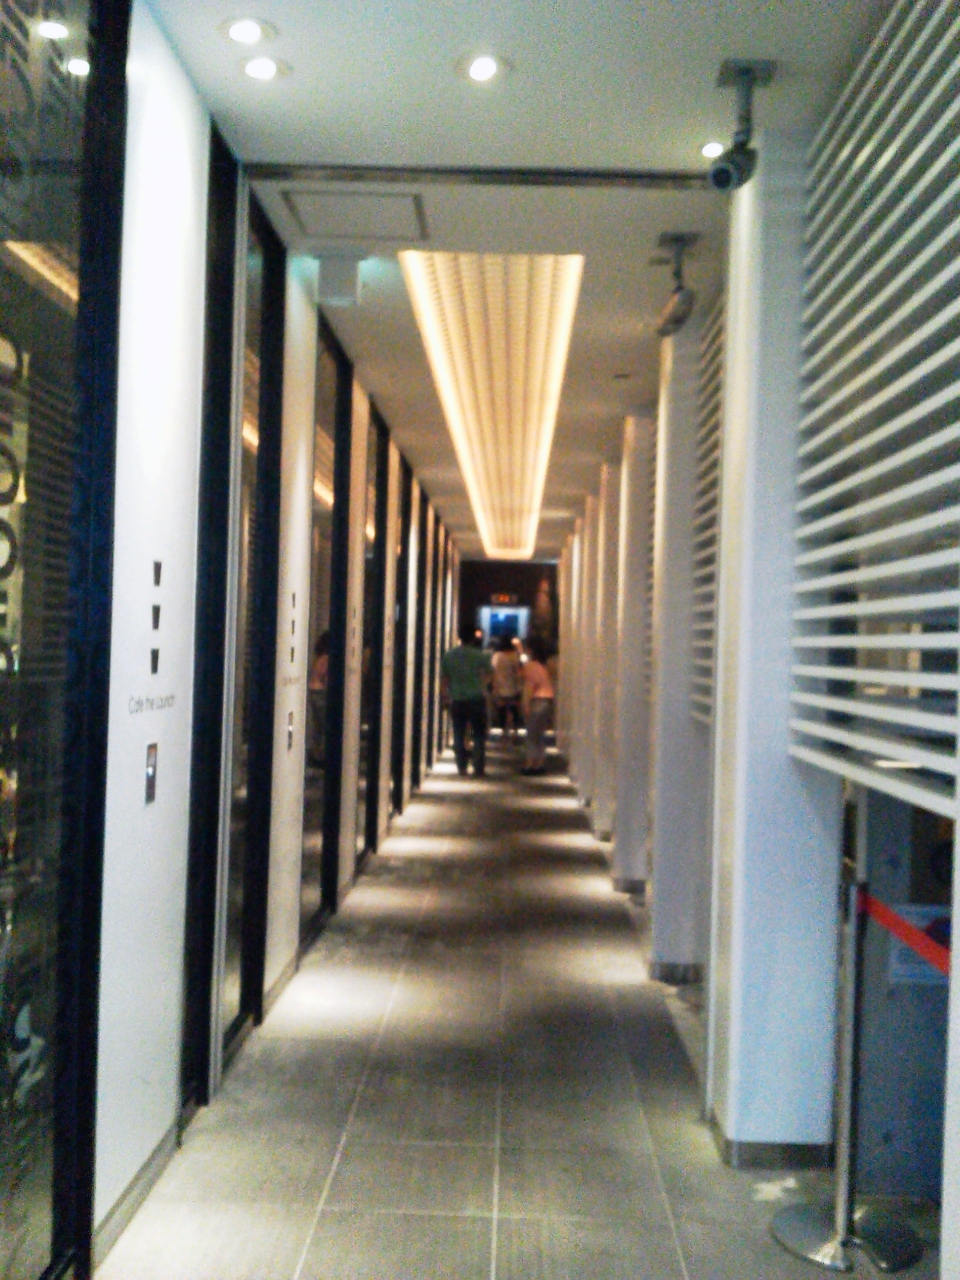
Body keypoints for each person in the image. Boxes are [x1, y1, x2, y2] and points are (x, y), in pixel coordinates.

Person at [441, 622, 492, 777]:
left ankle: (461, 766)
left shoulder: (449, 655)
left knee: (458, 733)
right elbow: (490, 674)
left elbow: (445, 679)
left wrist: (445, 696)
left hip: (457, 699)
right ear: (473, 638)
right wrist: (484, 687)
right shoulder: (480, 655)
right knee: (478, 735)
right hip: (476, 698)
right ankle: (478, 767)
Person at [521, 635, 554, 775]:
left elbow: (529, 687)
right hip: (548, 700)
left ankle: (530, 764)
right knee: (540, 734)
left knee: (531, 735)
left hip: (537, 700)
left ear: (530, 650)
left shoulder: (530, 666)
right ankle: (539, 763)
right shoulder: (544, 666)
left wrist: (525, 704)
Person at [490, 633, 523, 742]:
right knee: (514, 710)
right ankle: (515, 731)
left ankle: (504, 732)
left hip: (500, 687)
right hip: (514, 687)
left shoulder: (497, 656)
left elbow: (493, 671)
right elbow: (518, 671)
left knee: (502, 711)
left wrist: (494, 686)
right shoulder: (514, 656)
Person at [307, 631, 329, 767]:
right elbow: (322, 676)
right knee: (322, 725)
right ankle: (319, 754)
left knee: (318, 725)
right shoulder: (326, 658)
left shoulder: (319, 657)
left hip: (315, 692)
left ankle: (317, 753)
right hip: (319, 692)